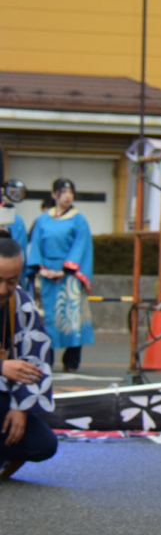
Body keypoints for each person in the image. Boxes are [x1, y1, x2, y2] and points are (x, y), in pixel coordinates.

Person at [0, 237, 56, 481]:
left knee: (43, 444)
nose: (3, 289)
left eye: (11, 281)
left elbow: (37, 358)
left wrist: (20, 407)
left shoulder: (20, 303)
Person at [27, 179, 94, 373]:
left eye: (70, 192)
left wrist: (65, 270)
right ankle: (45, 358)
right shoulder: (43, 219)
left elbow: (81, 245)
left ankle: (71, 362)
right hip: (45, 273)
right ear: (54, 195)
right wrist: (40, 267)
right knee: (43, 317)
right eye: (63, 192)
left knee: (72, 317)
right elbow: (35, 243)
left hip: (69, 275)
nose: (67, 196)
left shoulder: (79, 219)